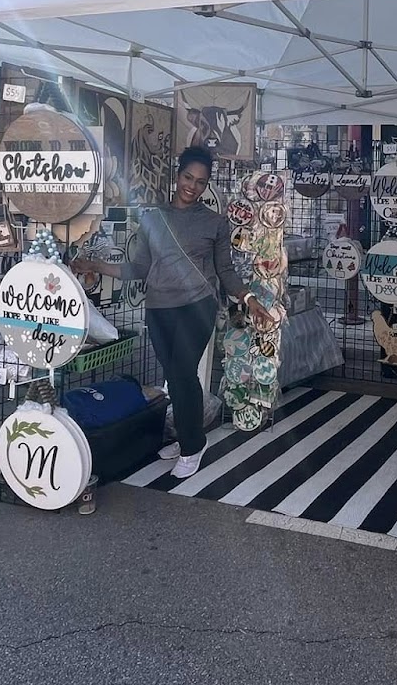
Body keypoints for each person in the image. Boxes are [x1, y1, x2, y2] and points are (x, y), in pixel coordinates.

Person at [75, 146, 273, 479]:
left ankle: (193, 445)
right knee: (175, 378)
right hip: (159, 309)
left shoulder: (215, 222)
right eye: (187, 177)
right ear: (177, 175)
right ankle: (186, 434)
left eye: (200, 181)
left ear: (206, 185)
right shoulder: (153, 218)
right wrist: (93, 264)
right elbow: (138, 268)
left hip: (198, 306)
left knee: (182, 373)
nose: (192, 186)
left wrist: (247, 297)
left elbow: (224, 270)